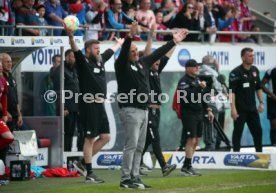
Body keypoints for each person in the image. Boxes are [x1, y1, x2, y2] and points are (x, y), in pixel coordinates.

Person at [115, 22, 188, 189]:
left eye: (135, 50)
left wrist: (174, 41)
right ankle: (125, 179)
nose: (134, 53)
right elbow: (125, 50)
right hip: (130, 110)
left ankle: (135, 177)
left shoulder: (142, 63)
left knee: (139, 147)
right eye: (131, 51)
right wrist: (130, 36)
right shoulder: (121, 66)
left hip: (144, 110)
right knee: (131, 145)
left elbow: (159, 53)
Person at [67, 29, 124, 183]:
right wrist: (71, 37)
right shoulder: (83, 61)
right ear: (88, 50)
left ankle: (81, 163)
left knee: (105, 137)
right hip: (88, 105)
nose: (99, 51)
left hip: (100, 105)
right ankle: (89, 173)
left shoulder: (100, 60)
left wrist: (118, 44)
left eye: (99, 48)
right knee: (90, 139)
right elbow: (75, 49)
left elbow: (110, 52)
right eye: (96, 48)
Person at [139, 29, 177, 177]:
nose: (158, 61)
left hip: (157, 111)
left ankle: (135, 162)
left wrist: (176, 42)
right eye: (155, 59)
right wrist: (150, 37)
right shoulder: (146, 70)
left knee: (148, 139)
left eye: (159, 59)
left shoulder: (156, 70)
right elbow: (149, 54)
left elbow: (167, 55)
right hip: (149, 110)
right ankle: (164, 166)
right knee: (155, 138)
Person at [177, 59, 214, 176]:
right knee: (191, 139)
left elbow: (201, 96)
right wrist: (199, 87)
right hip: (188, 113)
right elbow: (187, 96)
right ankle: (188, 166)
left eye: (197, 66)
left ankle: (187, 165)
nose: (197, 68)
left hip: (198, 113)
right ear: (188, 68)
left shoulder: (197, 79)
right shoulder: (183, 81)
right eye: (194, 67)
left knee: (197, 140)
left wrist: (208, 109)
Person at [229, 47, 264, 152]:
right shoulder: (236, 72)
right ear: (243, 58)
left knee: (258, 131)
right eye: (250, 56)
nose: (252, 58)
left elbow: (258, 88)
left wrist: (261, 102)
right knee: (238, 132)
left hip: (252, 109)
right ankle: (236, 154)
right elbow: (231, 92)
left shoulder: (255, 70)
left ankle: (259, 154)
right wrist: (233, 109)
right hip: (240, 109)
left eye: (253, 56)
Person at [62, 49, 81, 152]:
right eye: (73, 56)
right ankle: (65, 155)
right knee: (68, 133)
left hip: (76, 107)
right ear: (67, 57)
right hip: (67, 108)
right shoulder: (61, 70)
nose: (75, 59)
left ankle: (79, 156)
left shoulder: (75, 69)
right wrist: (64, 107)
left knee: (80, 132)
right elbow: (59, 90)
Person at [2, 53, 23, 132]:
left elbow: (16, 98)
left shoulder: (12, 77)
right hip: (3, 115)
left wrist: (19, 114)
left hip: (14, 115)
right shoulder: (1, 78)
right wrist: (5, 113)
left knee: (12, 139)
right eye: (7, 62)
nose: (10, 64)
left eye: (10, 62)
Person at [0, 54, 13, 165]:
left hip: (2, 115)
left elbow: (4, 97)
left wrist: (4, 113)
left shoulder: (3, 80)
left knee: (9, 138)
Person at [261, 66, 276, 146]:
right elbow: (262, 85)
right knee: (274, 124)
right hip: (273, 101)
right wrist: (272, 95)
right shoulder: (271, 70)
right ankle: (274, 145)